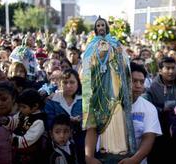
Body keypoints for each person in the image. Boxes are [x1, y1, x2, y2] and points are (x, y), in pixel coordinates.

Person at [82, 17, 136, 163]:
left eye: (102, 24)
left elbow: (124, 61)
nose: (100, 27)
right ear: (95, 28)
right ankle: (105, 147)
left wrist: (117, 52)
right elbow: (86, 65)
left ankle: (120, 147)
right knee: (101, 112)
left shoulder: (114, 42)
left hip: (114, 82)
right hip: (99, 85)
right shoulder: (92, 45)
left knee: (117, 108)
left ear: (106, 26)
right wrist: (96, 56)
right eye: (98, 25)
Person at [118, 62, 162, 164]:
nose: (138, 85)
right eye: (134, 81)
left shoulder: (149, 108)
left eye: (142, 82)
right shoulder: (107, 105)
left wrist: (134, 160)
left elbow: (149, 137)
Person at [44, 69, 84, 162]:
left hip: (80, 144)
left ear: (78, 83)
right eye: (65, 82)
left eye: (72, 82)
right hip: (57, 145)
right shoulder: (53, 100)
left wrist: (80, 121)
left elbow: (89, 122)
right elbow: (49, 122)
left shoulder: (83, 100)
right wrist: (66, 121)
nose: (68, 86)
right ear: (60, 84)